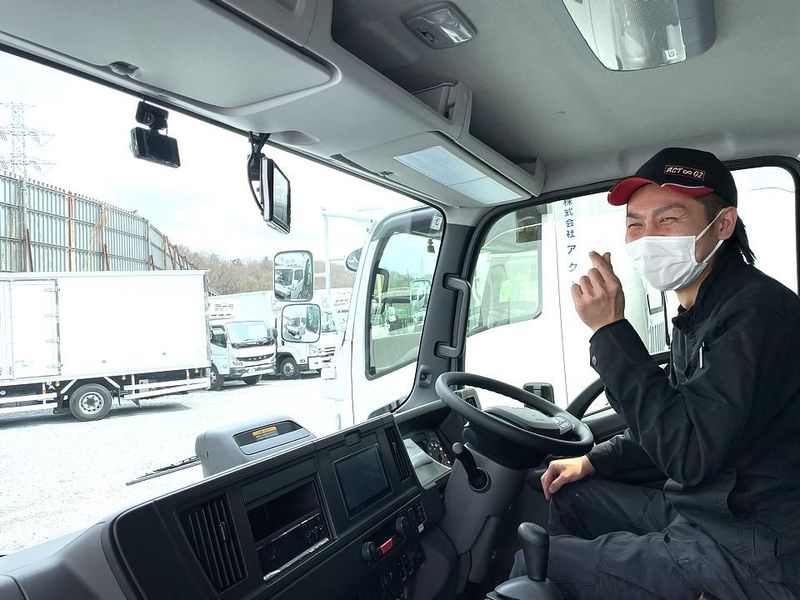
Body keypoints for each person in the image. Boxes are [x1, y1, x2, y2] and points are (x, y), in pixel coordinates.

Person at [510, 148, 800, 599]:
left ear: (723, 224)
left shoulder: (754, 315)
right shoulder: (701, 309)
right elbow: (677, 419)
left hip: (750, 547)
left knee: (538, 565)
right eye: (635, 224)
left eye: (668, 220)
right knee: (569, 494)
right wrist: (592, 460)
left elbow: (688, 453)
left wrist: (610, 332)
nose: (647, 238)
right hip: (706, 512)